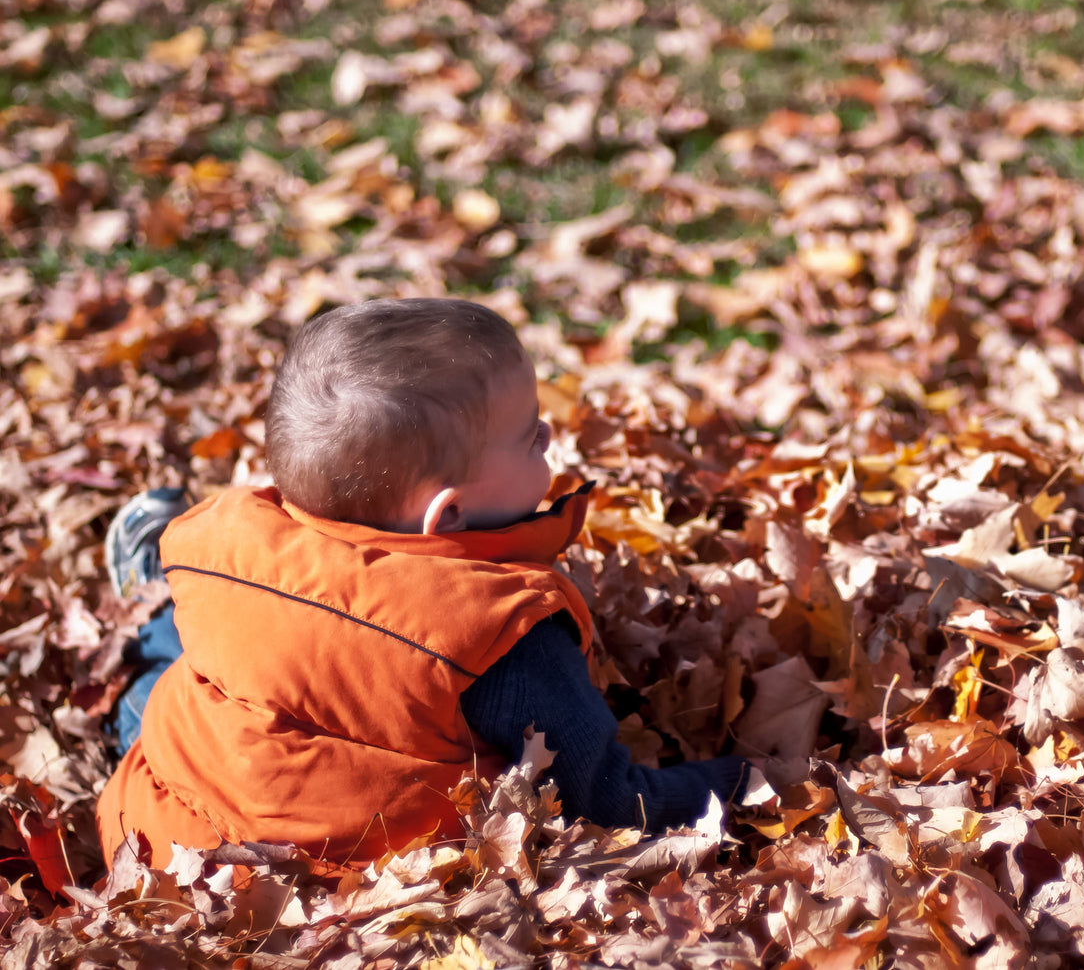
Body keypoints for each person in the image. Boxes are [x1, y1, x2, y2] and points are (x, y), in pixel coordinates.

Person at [96, 298, 749, 869]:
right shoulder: (501, 636)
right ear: (450, 516)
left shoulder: (233, 536)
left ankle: (149, 600)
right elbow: (608, 803)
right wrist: (754, 780)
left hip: (156, 833)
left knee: (201, 669)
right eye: (530, 439)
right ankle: (149, 617)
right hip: (324, 883)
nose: (550, 435)